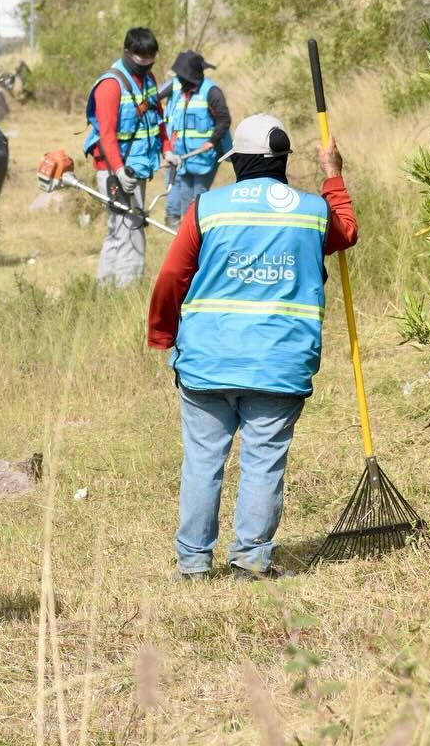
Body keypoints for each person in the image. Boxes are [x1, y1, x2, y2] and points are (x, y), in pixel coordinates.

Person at [147, 115, 358, 581]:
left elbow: (170, 278)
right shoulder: (311, 211)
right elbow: (347, 230)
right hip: (280, 364)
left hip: (206, 362)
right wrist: (332, 173)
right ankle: (251, 561)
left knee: (203, 461)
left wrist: (163, 333)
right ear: (282, 161)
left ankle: (193, 565)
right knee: (263, 463)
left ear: (237, 161)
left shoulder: (207, 208)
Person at [82, 27, 171, 288]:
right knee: (131, 231)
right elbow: (107, 134)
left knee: (118, 230)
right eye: (140, 60)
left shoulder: (148, 79)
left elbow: (156, 116)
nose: (145, 65)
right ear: (127, 52)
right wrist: (119, 171)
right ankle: (127, 293)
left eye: (150, 59)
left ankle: (104, 288)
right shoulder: (110, 86)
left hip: (139, 166)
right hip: (115, 171)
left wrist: (167, 148)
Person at [161, 50, 231, 228]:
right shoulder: (179, 89)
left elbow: (224, 120)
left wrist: (211, 142)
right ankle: (185, 235)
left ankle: (197, 235)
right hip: (183, 159)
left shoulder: (212, 92)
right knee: (186, 200)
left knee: (198, 198)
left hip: (205, 158)